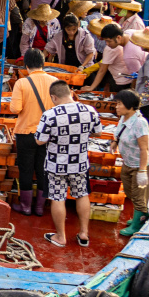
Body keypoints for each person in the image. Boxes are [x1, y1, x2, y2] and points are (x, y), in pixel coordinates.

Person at [36, 80, 101, 247]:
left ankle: (60, 237)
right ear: (71, 92)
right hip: (79, 163)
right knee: (82, 194)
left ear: (54, 97)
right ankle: (84, 233)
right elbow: (98, 132)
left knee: (58, 198)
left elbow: (39, 141)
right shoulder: (90, 110)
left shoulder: (50, 115)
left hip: (56, 165)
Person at [9, 49, 57, 216]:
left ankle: (26, 206)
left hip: (26, 133)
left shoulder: (22, 83)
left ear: (26, 65)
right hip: (48, 135)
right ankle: (39, 208)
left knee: (26, 170)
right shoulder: (55, 82)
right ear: (43, 64)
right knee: (44, 170)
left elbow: (15, 109)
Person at [112, 89, 149, 238]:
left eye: (119, 104)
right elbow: (119, 132)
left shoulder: (140, 123)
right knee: (129, 190)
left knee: (139, 195)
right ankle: (143, 214)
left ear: (130, 106)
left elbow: (144, 149)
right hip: (129, 161)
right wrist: (115, 142)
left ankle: (138, 223)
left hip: (142, 163)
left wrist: (142, 171)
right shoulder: (124, 118)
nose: (116, 107)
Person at [84, 22, 135, 93]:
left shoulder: (110, 48)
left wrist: (91, 87)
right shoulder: (126, 36)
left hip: (120, 82)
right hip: (126, 78)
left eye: (108, 41)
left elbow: (102, 70)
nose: (107, 43)